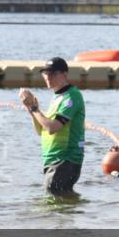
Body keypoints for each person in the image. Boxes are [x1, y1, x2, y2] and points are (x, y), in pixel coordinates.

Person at [18, 57, 86, 196]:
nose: (48, 77)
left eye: (53, 74)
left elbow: (53, 127)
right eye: (46, 73)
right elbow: (42, 131)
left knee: (52, 206)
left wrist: (34, 108)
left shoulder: (72, 96)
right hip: (54, 161)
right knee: (60, 205)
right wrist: (31, 108)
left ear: (64, 74)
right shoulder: (57, 98)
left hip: (64, 161)